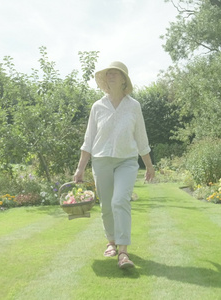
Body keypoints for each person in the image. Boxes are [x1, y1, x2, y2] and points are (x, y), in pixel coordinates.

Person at [73, 61, 155, 269]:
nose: (110, 76)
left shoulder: (134, 106)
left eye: (114, 73)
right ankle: (111, 241)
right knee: (107, 205)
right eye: (107, 73)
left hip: (127, 161)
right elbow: (89, 139)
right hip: (101, 161)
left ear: (123, 80)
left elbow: (141, 137)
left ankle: (124, 252)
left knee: (120, 201)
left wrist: (149, 165)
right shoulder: (97, 106)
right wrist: (80, 168)